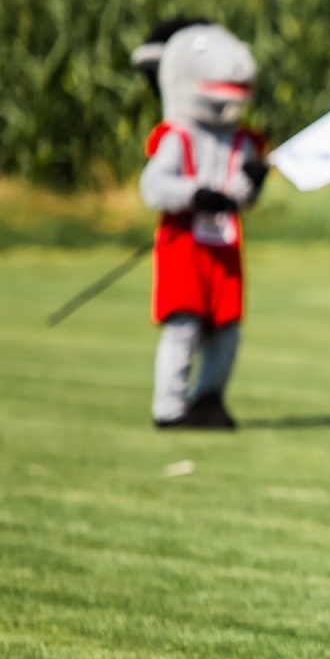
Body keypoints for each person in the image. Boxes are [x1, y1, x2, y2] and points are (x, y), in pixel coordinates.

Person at [137, 23, 268, 429]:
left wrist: (251, 183)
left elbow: (244, 197)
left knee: (227, 328)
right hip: (183, 244)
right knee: (184, 326)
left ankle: (208, 398)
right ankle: (170, 408)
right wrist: (194, 194)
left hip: (224, 246)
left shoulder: (244, 142)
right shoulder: (178, 136)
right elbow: (154, 186)